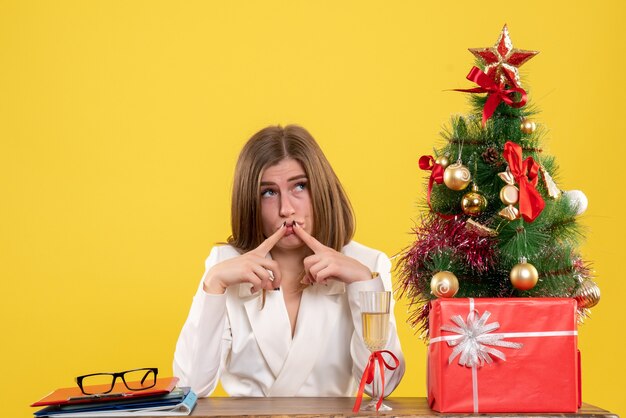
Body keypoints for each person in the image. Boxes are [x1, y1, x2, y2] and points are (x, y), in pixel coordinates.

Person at [173, 125, 405, 397]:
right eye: (268, 193)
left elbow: (381, 386)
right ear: (250, 202)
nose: (286, 209)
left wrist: (364, 284)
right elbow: (190, 387)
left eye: (300, 186)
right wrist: (213, 283)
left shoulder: (367, 264)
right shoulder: (224, 265)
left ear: (322, 190)